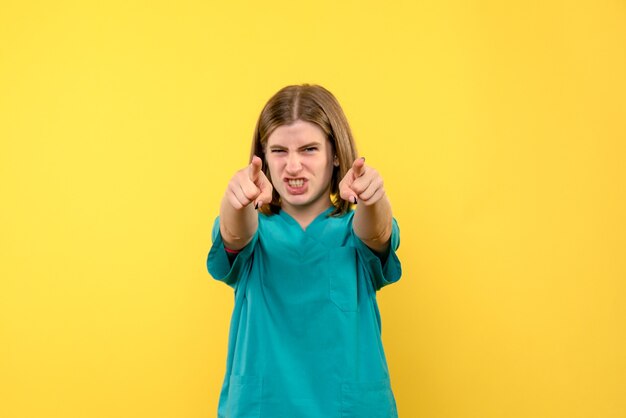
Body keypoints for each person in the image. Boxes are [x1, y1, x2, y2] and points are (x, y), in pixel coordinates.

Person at [207, 84, 402, 418]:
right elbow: (234, 233)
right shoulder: (257, 231)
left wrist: (373, 196)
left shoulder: (352, 232)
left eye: (309, 149)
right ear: (263, 158)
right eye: (279, 151)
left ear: (336, 154)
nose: (293, 166)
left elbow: (378, 230)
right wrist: (235, 198)